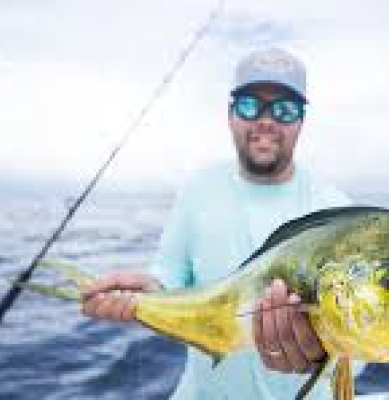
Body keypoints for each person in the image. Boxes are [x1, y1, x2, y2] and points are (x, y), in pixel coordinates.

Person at [81, 47, 364, 399]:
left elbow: (365, 346)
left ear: (301, 122)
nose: (266, 121)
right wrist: (149, 294)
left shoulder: (336, 211)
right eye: (249, 105)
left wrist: (323, 353)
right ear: (230, 116)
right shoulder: (198, 189)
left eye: (285, 109)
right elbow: (169, 275)